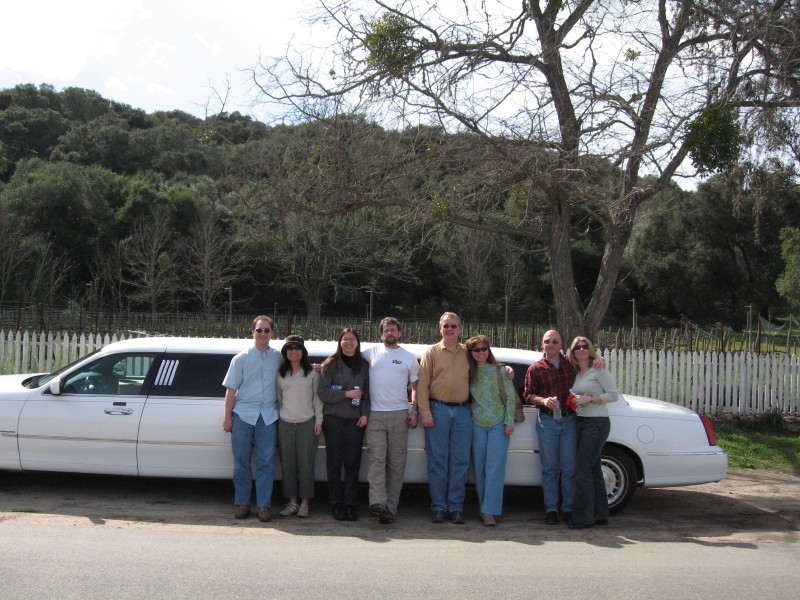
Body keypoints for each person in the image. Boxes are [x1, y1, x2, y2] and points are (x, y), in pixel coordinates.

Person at [523, 329, 604, 525]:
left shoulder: (571, 365)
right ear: (542, 344)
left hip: (570, 420)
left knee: (569, 468)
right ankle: (551, 509)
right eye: (547, 341)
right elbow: (527, 395)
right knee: (550, 469)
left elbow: (590, 370)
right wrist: (543, 400)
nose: (551, 344)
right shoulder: (535, 368)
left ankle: (568, 509)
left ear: (561, 345)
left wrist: (599, 360)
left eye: (555, 341)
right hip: (547, 421)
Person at [222, 316, 281, 522]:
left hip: (269, 416)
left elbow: (298, 370)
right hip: (243, 416)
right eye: (259, 330)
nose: (263, 334)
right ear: (252, 332)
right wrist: (227, 418)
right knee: (241, 462)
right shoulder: (241, 359)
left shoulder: (279, 358)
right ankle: (242, 503)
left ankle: (264, 506)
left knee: (266, 462)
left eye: (266, 330)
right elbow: (231, 390)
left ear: (272, 333)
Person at [362, 317, 419, 525]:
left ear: (399, 333)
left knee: (396, 464)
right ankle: (376, 503)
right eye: (386, 330)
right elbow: (346, 358)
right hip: (375, 415)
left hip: (399, 414)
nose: (390, 333)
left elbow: (416, 387)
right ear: (381, 334)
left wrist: (415, 411)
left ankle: (390, 508)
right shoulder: (370, 353)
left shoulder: (409, 357)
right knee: (376, 461)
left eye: (393, 330)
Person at [417, 312, 472, 525]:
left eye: (453, 326)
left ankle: (456, 507)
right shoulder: (430, 353)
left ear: (460, 329)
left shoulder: (469, 353)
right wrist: (426, 413)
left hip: (463, 412)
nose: (450, 329)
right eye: (446, 326)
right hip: (437, 410)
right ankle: (439, 507)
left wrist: (506, 370)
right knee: (437, 462)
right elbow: (422, 386)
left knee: (460, 462)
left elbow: (488, 367)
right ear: (440, 328)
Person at [566, 336, 620, 529]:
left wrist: (590, 398)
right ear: (572, 352)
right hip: (580, 422)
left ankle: (582, 518)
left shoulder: (599, 369)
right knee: (593, 469)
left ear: (590, 349)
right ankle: (600, 514)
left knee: (581, 470)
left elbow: (614, 395)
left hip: (596, 423)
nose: (581, 350)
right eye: (576, 347)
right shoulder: (575, 371)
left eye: (584, 346)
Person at [318, 328, 370, 521]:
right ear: (340, 342)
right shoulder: (330, 364)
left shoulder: (364, 365)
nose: (348, 342)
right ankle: (336, 503)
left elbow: (368, 393)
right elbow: (323, 392)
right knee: (334, 462)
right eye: (345, 339)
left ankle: (350, 504)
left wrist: (365, 414)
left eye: (352, 339)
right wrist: (346, 395)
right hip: (333, 419)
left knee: (352, 463)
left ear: (357, 343)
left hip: (355, 420)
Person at [465, 335, 516, 527]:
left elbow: (510, 397)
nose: (481, 353)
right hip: (476, 424)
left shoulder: (500, 370)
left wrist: (509, 422)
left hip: (498, 424)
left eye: (484, 349)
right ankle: (483, 507)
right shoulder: (467, 371)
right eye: (476, 350)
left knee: (495, 468)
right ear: (470, 353)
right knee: (479, 468)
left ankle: (489, 511)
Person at [276, 335, 323, 519]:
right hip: (285, 423)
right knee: (287, 464)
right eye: (289, 348)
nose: (293, 352)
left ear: (303, 352)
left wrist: (319, 421)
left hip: (307, 423)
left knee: (306, 464)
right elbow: (279, 399)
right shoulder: (280, 374)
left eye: (297, 348)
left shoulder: (312, 373)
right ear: (285, 352)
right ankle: (292, 502)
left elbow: (317, 399)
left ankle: (305, 503)